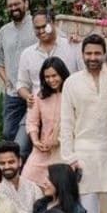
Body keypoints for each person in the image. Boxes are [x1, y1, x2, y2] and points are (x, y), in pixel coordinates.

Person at [60, 34, 107, 213]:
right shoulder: (71, 83)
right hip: (83, 154)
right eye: (88, 53)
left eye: (97, 53)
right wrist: (70, 158)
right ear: (82, 55)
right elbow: (65, 124)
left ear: (104, 54)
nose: (93, 57)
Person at [0, 0, 37, 152]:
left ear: (26, 3)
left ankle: (26, 168)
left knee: (25, 138)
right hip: (12, 94)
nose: (13, 8)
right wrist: (6, 81)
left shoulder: (37, 25)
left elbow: (57, 41)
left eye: (17, 4)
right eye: (10, 6)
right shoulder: (4, 32)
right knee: (8, 133)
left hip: (35, 93)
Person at [22, 57, 70, 186]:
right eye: (47, 77)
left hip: (64, 150)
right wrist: (35, 141)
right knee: (27, 179)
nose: (51, 80)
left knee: (58, 189)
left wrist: (57, 140)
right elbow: (32, 121)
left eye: (54, 75)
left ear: (62, 73)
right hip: (42, 149)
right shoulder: (39, 96)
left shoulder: (71, 93)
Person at [17, 9, 81, 102]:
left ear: (54, 23)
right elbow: (21, 84)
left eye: (44, 26)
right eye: (37, 28)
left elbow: (84, 74)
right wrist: (28, 97)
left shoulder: (72, 46)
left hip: (70, 104)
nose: (41, 31)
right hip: (41, 107)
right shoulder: (27, 54)